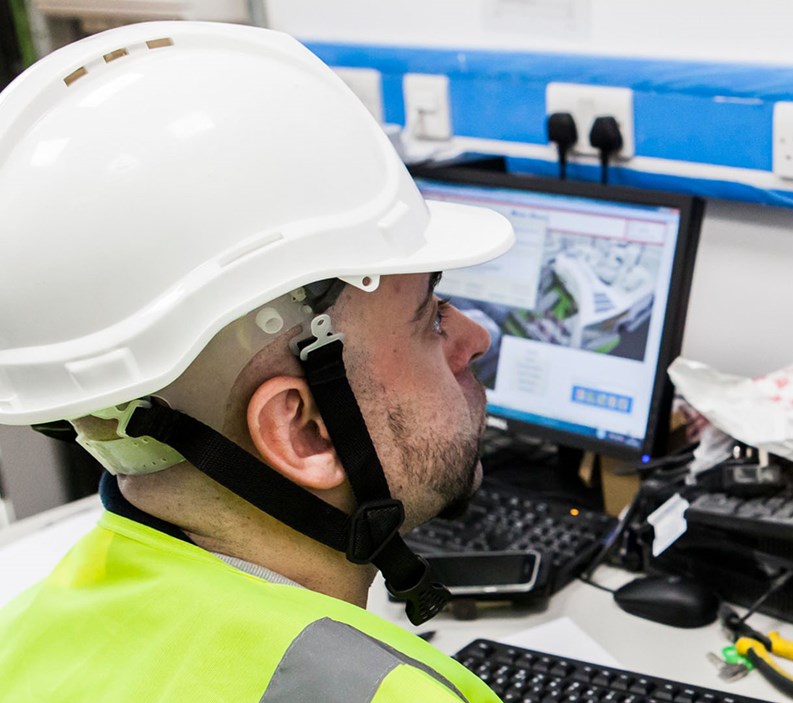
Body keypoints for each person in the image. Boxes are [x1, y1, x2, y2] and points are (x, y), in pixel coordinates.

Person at [0, 20, 515, 702]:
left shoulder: (20, 638)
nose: (473, 337)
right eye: (429, 316)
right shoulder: (390, 693)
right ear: (305, 430)